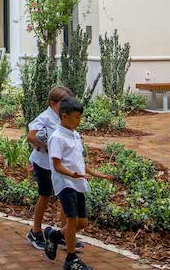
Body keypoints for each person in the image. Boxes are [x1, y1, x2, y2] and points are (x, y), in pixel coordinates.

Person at [42, 97, 114, 270]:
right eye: (76, 118)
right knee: (72, 221)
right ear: (64, 116)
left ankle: (54, 235)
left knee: (83, 223)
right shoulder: (57, 137)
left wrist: (98, 175)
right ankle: (71, 260)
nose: (79, 121)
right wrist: (72, 174)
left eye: (80, 118)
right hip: (65, 184)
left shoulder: (75, 135)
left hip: (77, 183)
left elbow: (80, 162)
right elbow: (57, 165)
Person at [26, 85, 70, 249]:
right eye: (64, 102)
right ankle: (35, 231)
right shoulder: (45, 117)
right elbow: (30, 136)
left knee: (65, 196)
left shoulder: (63, 116)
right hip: (43, 163)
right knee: (44, 195)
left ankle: (65, 233)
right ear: (53, 102)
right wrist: (43, 145)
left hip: (59, 164)